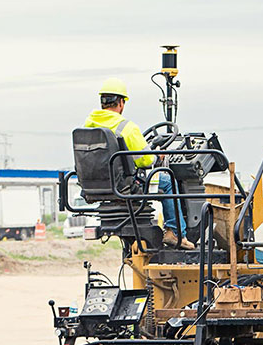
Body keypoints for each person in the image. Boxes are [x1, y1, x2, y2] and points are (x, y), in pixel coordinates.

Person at [83, 77, 194, 249]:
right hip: (125, 186)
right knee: (167, 181)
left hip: (96, 186)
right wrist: (158, 157)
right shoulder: (126, 127)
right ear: (121, 102)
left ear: (102, 102)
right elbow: (146, 159)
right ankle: (175, 232)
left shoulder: (88, 126)